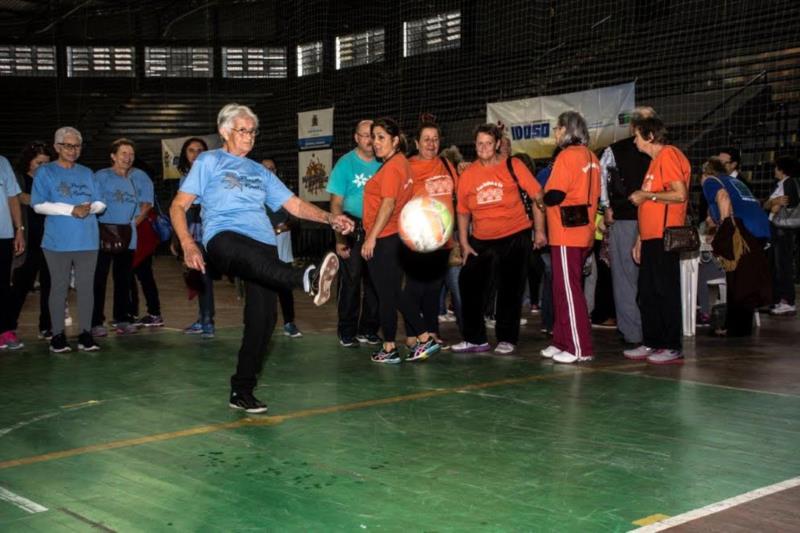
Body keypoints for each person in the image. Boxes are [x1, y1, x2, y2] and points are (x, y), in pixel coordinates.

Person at [171, 103, 352, 414]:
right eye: (243, 130)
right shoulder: (209, 161)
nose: (250, 136)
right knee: (252, 259)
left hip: (263, 245)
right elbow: (178, 206)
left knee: (263, 321)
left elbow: (294, 205)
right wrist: (188, 243)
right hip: (224, 238)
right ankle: (305, 278)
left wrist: (330, 219)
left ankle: (241, 390)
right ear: (224, 132)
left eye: (253, 131)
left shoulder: (259, 171)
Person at [452, 123, 546, 355]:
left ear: (496, 145)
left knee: (510, 289)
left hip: (515, 235)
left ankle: (507, 338)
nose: (483, 147)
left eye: (488, 143)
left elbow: (538, 196)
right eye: (479, 143)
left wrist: (541, 231)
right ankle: (475, 339)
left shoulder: (513, 165)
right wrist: (464, 242)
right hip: (481, 239)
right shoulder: (468, 174)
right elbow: (463, 211)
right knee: (468, 282)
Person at [623, 115, 691, 365]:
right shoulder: (653, 163)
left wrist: (646, 195)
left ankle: (672, 346)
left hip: (666, 235)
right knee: (648, 293)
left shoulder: (669, 155)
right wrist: (640, 239)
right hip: (651, 237)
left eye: (637, 136)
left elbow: (679, 193)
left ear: (650, 136)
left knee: (665, 292)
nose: (634, 141)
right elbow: (649, 204)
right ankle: (652, 342)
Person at [31, 126, 104, 353]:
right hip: (57, 242)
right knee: (58, 288)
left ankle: (85, 334)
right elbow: (38, 205)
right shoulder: (46, 172)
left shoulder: (87, 172)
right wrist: (71, 209)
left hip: (88, 240)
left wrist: (89, 208)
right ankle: (57, 335)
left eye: (77, 146)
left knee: (86, 289)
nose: (73, 150)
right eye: (68, 145)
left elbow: (101, 203)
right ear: (56, 147)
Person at [539, 111, 601, 364]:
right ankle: (562, 341)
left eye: (557, 128)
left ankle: (579, 347)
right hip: (583, 230)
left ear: (567, 130)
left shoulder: (566, 156)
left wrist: (540, 195)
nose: (555, 132)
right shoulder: (591, 156)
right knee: (562, 289)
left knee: (568, 290)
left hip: (566, 232)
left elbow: (554, 194)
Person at [398, 114, 459, 360]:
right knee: (415, 288)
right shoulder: (407, 166)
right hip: (418, 238)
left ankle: (432, 332)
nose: (431, 144)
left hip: (442, 239)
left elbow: (459, 193)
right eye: (426, 139)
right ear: (416, 142)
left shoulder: (447, 165)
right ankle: (413, 335)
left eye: (435, 139)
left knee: (435, 289)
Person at [599, 107, 655, 346]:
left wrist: (606, 207)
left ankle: (633, 333)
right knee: (652, 278)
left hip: (625, 217)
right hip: (654, 219)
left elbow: (602, 180)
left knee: (624, 278)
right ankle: (653, 331)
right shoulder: (665, 150)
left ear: (632, 127)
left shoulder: (614, 150)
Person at [360, 117, 415, 363]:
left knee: (387, 294)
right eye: (374, 137)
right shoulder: (401, 163)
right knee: (392, 293)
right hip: (392, 236)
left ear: (395, 140)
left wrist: (371, 237)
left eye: (381, 137)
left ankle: (396, 345)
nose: (375, 142)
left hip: (384, 238)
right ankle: (410, 340)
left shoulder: (393, 166)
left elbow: (388, 203)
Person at [701, 156, 771, 336]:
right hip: (760, 229)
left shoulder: (710, 181)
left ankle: (736, 328)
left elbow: (723, 198)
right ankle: (739, 326)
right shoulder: (734, 181)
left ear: (707, 172)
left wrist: (725, 228)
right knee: (745, 279)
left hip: (743, 230)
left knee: (738, 281)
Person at [327, 120, 382, 347]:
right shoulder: (345, 163)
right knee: (351, 282)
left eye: (374, 135)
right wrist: (340, 239)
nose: (370, 140)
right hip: (352, 226)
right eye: (365, 135)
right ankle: (346, 330)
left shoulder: (384, 163)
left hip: (378, 227)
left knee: (376, 282)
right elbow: (336, 204)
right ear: (356, 138)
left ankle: (368, 329)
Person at [92, 139, 141, 337]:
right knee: (99, 279)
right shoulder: (101, 176)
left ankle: (122, 318)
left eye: (131, 154)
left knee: (124, 279)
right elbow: (94, 204)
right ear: (113, 156)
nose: (128, 158)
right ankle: (95, 321)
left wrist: (132, 233)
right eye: (123, 153)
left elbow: (134, 210)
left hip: (127, 235)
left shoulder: (132, 179)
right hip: (104, 234)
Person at [9, 141, 53, 342]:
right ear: (29, 162)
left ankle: (47, 327)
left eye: (46, 163)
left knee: (50, 286)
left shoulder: (51, 179)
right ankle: (8, 326)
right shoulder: (19, 178)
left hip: (50, 241)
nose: (43, 167)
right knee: (20, 285)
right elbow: (21, 198)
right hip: (28, 241)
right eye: (39, 163)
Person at [175, 137, 216, 338]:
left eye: (200, 150)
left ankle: (207, 320)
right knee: (197, 276)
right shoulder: (184, 177)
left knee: (204, 275)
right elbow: (180, 209)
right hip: (190, 230)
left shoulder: (212, 174)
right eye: (191, 150)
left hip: (208, 228)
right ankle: (203, 318)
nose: (196, 154)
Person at [262, 158, 302, 338]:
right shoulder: (253, 193)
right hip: (262, 250)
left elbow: (295, 218)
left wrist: (281, 227)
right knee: (263, 290)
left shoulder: (284, 193)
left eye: (272, 168)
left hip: (283, 250)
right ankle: (264, 324)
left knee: (285, 289)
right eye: (265, 169)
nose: (269, 171)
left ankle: (289, 323)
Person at [764, 155, 800, 315]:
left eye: (776, 167)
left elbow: (785, 204)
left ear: (782, 169)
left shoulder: (789, 183)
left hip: (783, 229)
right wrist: (773, 203)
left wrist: (774, 204)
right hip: (776, 228)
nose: (774, 170)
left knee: (783, 265)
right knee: (776, 265)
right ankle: (778, 299)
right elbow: (769, 204)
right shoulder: (780, 184)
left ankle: (788, 300)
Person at [130, 162, 163, 329]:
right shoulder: (136, 177)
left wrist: (131, 224)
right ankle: (133, 313)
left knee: (143, 276)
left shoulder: (138, 177)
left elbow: (146, 206)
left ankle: (154, 313)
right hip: (138, 235)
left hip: (141, 234)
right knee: (137, 276)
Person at [0, 154, 26, 350]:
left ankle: (5, 331)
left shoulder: (3, 162)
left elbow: (12, 197)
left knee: (3, 285)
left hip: (3, 234)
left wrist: (19, 229)